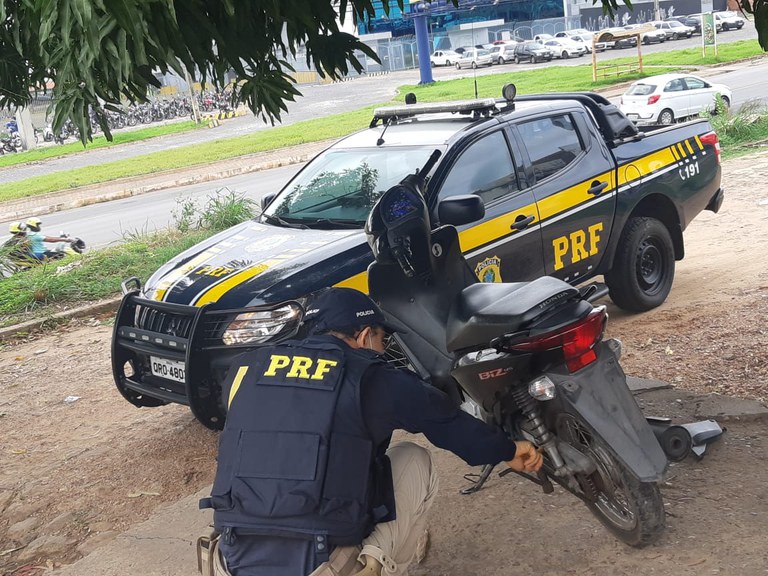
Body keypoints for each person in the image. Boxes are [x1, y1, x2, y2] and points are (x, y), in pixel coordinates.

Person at [199, 287, 543, 576]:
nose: (382, 350)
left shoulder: (246, 369)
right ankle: (373, 564)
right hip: (321, 563)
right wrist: (510, 452)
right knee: (414, 460)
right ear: (364, 336)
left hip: (233, 558)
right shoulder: (373, 379)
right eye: (381, 340)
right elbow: (449, 424)